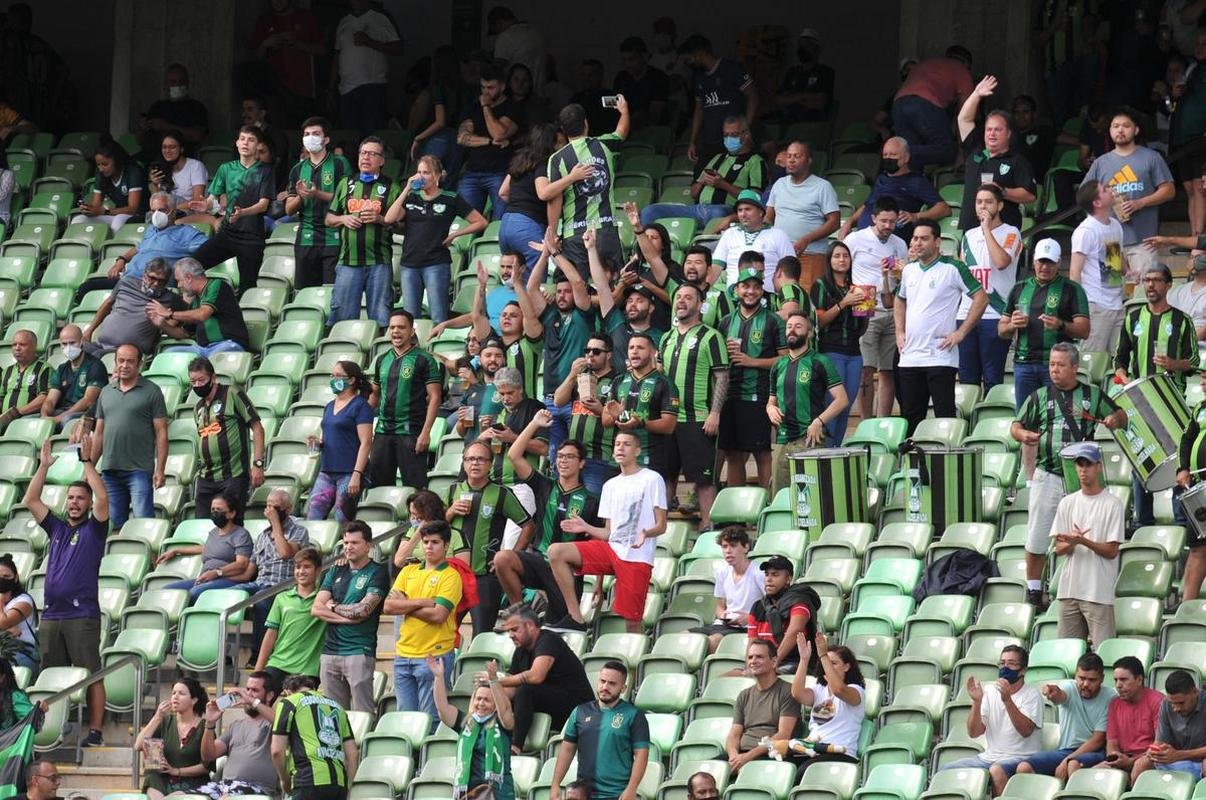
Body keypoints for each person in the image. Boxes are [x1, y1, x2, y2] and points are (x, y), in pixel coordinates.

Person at [1013, 343, 1124, 607]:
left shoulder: (1092, 395)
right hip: (1047, 472)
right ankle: (1033, 589)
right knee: (1038, 533)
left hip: (1080, 477)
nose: (1054, 369)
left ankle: (1083, 589)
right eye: (1051, 364)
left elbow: (1121, 415)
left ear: (1075, 368)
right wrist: (1022, 434)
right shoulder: (1040, 396)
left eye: (1060, 365)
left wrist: (1114, 421)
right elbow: (1016, 425)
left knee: (1084, 533)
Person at [548, 431, 667, 634]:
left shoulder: (652, 479)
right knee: (556, 552)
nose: (620, 448)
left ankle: (635, 661)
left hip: (636, 556)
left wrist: (645, 533)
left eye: (626, 444)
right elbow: (608, 533)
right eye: (617, 444)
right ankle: (575, 618)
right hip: (611, 550)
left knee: (631, 621)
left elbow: (662, 525)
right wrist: (586, 527)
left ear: (637, 450)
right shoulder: (610, 485)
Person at [496, 411, 599, 621]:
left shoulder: (591, 501)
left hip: (567, 573)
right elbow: (514, 455)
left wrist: (598, 583)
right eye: (560, 456)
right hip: (539, 561)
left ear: (581, 463)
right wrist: (534, 423)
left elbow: (598, 544)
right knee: (502, 558)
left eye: (570, 457)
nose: (563, 461)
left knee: (557, 626)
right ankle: (521, 613)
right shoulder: (545, 485)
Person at [1117, 264, 1199, 527]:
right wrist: (1127, 381)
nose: (1149, 285)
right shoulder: (1132, 319)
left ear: (1167, 285)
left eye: (1155, 280)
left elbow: (1195, 360)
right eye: (1146, 280)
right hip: (1141, 403)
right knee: (1142, 460)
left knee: (1179, 459)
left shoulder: (1181, 320)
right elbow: (1118, 362)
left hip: (1172, 401)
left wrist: (1174, 364)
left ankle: (1181, 524)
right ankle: (1143, 525)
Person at [893, 220, 988, 434]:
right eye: (915, 238)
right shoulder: (908, 270)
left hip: (940, 355)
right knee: (910, 419)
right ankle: (914, 466)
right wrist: (899, 331)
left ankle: (945, 465)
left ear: (937, 241)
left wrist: (961, 332)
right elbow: (900, 299)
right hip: (910, 356)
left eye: (924, 238)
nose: (918, 243)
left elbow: (981, 297)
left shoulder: (953, 267)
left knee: (944, 417)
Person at [446, 441, 534, 635]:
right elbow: (436, 528)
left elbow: (528, 525)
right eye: (470, 459)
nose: (475, 463)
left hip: (484, 578)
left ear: (490, 464)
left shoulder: (501, 493)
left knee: (481, 635)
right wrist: (450, 512)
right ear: (463, 463)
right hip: (452, 576)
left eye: (480, 459)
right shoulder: (453, 490)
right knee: (444, 634)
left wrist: (512, 555)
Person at [659, 283, 729, 529]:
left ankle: (708, 527)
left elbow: (722, 376)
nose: (682, 301)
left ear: (700, 305)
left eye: (688, 297)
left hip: (698, 418)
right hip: (667, 420)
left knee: (703, 479)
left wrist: (715, 413)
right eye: (678, 297)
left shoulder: (711, 336)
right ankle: (662, 529)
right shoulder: (666, 337)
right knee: (665, 476)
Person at [517, 243, 596, 460]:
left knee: (578, 454)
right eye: (559, 291)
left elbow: (578, 282)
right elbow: (532, 288)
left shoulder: (584, 315)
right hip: (550, 398)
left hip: (578, 397)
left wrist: (556, 253)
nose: (562, 296)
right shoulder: (550, 315)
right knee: (555, 458)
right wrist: (544, 255)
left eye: (567, 292)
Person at [385, 156, 486, 325]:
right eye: (419, 172)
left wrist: (456, 234)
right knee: (410, 318)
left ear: (437, 176)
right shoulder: (411, 197)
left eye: (426, 172)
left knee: (438, 315)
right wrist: (406, 190)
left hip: (436, 262)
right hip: (409, 263)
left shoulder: (450, 198)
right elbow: (389, 219)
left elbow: (481, 222)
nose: (421, 176)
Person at [1081, 109, 1175, 283]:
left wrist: (1140, 203)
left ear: (1136, 130)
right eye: (1115, 126)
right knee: (1113, 290)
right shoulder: (1100, 163)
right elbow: (1084, 196)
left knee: (1144, 291)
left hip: (1144, 241)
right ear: (1109, 131)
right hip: (1111, 243)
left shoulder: (1151, 157)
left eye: (1126, 126)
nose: (1120, 130)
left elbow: (1169, 190)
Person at [1000, 239, 1091, 415]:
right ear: (1034, 261)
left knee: (1057, 417)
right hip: (1024, 364)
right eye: (1041, 261)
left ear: (1059, 263)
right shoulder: (1019, 288)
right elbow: (1001, 330)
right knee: (1026, 418)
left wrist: (1061, 325)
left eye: (1050, 262)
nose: (1045, 267)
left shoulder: (1072, 289)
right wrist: (1012, 325)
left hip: (1057, 365)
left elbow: (1084, 330)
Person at [940, 645, 1044, 796]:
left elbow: (1026, 730)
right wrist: (977, 702)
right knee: (945, 770)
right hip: (988, 757)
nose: (1005, 667)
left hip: (1022, 756)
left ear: (1023, 670)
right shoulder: (990, 691)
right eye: (1002, 663)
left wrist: (1008, 700)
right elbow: (974, 732)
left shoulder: (1031, 695)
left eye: (1011, 663)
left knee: (997, 769)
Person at [540, 97, 630, 270]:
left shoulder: (557, 159)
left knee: (579, 289)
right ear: (586, 123)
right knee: (612, 286)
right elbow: (622, 131)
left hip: (574, 234)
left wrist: (552, 232)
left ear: (563, 130)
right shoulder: (604, 145)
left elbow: (554, 199)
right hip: (605, 229)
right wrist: (624, 111)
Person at [386, 520, 461, 723]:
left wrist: (406, 606)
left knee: (431, 719)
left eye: (435, 542)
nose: (428, 546)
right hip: (403, 654)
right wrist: (422, 603)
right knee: (406, 721)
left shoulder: (451, 576)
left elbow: (439, 616)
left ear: (446, 545)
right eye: (425, 541)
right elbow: (388, 607)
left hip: (434, 655)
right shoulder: (408, 571)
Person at [1049, 442, 1125, 644]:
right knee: (1066, 652)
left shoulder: (1112, 504)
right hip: (1069, 590)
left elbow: (1111, 551)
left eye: (1088, 465)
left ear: (1098, 466)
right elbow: (1059, 548)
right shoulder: (1067, 503)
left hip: (1098, 591)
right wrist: (1074, 542)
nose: (1083, 470)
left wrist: (1083, 540)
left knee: (1103, 652)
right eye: (1080, 465)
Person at [718, 266, 787, 488]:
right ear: (736, 290)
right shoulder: (726, 322)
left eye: (756, 287)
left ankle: (767, 506)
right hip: (730, 395)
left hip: (758, 395)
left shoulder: (773, 321)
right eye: (745, 286)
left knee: (762, 453)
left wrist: (752, 361)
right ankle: (736, 515)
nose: (751, 291)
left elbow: (786, 359)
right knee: (733, 454)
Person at [310, 522, 389, 713]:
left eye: (354, 542)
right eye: (345, 543)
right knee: (333, 715)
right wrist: (346, 617)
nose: (348, 547)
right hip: (329, 652)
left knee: (363, 713)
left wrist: (335, 607)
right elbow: (316, 608)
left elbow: (362, 611)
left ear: (368, 545)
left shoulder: (378, 571)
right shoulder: (335, 570)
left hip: (359, 650)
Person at [326, 136, 402, 328]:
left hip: (379, 262)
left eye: (372, 154)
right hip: (348, 263)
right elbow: (329, 219)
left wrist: (381, 219)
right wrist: (344, 218)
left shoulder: (392, 187)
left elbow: (402, 224)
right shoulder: (345, 183)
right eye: (363, 153)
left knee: (382, 319)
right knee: (342, 320)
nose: (366, 157)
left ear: (382, 161)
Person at [496, 604, 594, 752]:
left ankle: (515, 748)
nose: (510, 635)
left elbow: (536, 676)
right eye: (509, 631)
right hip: (552, 703)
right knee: (494, 694)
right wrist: (493, 689)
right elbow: (510, 688)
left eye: (514, 629)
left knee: (526, 689)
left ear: (530, 626)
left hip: (578, 708)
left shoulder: (548, 640)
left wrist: (498, 681)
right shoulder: (520, 650)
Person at [90, 343, 168, 530]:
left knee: (143, 524)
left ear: (139, 364)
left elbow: (162, 432)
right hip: (110, 470)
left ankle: (149, 559)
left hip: (139, 470)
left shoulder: (152, 391)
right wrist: (90, 467)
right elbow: (99, 432)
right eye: (121, 361)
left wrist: (160, 469)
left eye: (130, 361)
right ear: (115, 362)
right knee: (114, 526)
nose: (124, 365)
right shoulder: (106, 392)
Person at [846, 197, 909, 423]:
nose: (888, 226)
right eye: (883, 221)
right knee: (866, 368)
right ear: (873, 218)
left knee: (888, 370)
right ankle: (865, 421)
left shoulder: (900, 244)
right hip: (865, 308)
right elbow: (841, 266)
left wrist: (898, 272)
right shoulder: (856, 239)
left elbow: (905, 278)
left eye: (892, 222)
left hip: (893, 308)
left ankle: (882, 422)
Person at [78, 191, 207, 300]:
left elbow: (211, 248)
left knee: (89, 289)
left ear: (173, 212)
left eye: (161, 210)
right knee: (85, 287)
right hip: (128, 280)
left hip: (152, 284)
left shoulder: (186, 233)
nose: (156, 214)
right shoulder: (151, 230)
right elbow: (139, 248)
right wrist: (121, 260)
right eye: (153, 211)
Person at [190, 126, 275, 293]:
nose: (245, 143)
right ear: (237, 143)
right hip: (228, 233)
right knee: (192, 265)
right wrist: (205, 205)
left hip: (252, 237)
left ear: (258, 145)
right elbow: (212, 198)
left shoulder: (265, 170)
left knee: (247, 288)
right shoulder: (225, 168)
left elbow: (263, 205)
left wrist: (243, 212)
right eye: (242, 139)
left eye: (251, 140)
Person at [549, 661, 650, 800]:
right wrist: (555, 784)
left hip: (616, 794)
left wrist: (631, 788)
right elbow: (567, 750)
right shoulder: (580, 711)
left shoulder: (634, 715)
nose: (605, 687)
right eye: (602, 681)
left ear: (623, 688)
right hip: (584, 794)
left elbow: (642, 755)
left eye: (612, 683)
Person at [641, 115, 765, 227]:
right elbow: (694, 193)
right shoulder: (718, 158)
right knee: (650, 211)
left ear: (746, 135)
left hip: (724, 209)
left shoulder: (755, 161)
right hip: (696, 209)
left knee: (717, 212)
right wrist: (702, 181)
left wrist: (723, 185)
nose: (728, 139)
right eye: (726, 135)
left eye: (733, 135)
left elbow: (756, 198)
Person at [956, 183, 1023, 391]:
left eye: (988, 202)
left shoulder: (1012, 233)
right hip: (966, 314)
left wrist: (986, 229)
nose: (982, 206)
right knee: (967, 378)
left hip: (996, 314)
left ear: (1000, 205)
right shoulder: (968, 236)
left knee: (993, 378)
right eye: (978, 202)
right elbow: (962, 274)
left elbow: (1002, 262)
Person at [367, 310, 442, 490]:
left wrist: (426, 432)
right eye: (392, 327)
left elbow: (435, 397)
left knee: (414, 488)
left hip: (411, 432)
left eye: (401, 327)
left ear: (412, 331)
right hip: (383, 432)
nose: (395, 331)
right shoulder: (381, 359)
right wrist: (364, 424)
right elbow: (374, 393)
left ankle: (414, 519)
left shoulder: (425, 359)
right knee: (379, 487)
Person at [954, 76, 1037, 232]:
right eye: (988, 129)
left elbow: (1030, 195)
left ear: (1009, 134)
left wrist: (1002, 191)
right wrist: (976, 94)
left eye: (998, 130)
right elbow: (963, 119)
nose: (992, 134)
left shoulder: (1017, 160)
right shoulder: (974, 151)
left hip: (1002, 230)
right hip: (971, 229)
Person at [429, 653, 516, 799]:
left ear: (496, 705)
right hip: (470, 792)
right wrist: (438, 677)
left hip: (498, 793)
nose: (481, 703)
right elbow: (442, 708)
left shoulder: (503, 723)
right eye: (478, 698)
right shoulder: (466, 722)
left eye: (487, 700)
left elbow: (505, 709)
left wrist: (494, 680)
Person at [188, 356, 265, 519]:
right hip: (206, 477)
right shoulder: (198, 407)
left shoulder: (232, 393)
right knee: (201, 526)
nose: (197, 386)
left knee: (230, 525)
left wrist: (257, 464)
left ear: (213, 378)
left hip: (233, 475)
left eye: (201, 380)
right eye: (193, 382)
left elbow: (257, 427)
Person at [235, 490, 310, 653]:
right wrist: (218, 574)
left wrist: (276, 523)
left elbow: (285, 553)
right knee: (223, 595)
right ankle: (222, 653)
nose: (270, 511)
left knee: (261, 603)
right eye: (268, 506)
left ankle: (257, 654)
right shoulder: (262, 535)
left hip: (281, 585)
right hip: (258, 584)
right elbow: (249, 572)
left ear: (288, 509)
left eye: (275, 507)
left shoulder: (299, 531)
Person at [1016, 653, 1113, 779]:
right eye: (1081, 678)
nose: (1085, 684)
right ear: (1075, 676)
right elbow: (1060, 696)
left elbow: (1097, 740)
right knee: (1023, 768)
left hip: (1095, 752)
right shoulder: (1069, 687)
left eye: (1092, 680)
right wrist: (1053, 693)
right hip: (1065, 750)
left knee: (1072, 765)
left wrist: (1067, 760)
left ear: (1102, 678)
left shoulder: (1110, 697)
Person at [839, 137, 950, 244]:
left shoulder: (917, 181)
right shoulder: (881, 178)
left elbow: (943, 209)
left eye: (893, 155)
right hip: (863, 237)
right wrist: (849, 222)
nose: (888, 158)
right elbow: (867, 205)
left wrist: (915, 216)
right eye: (885, 155)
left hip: (890, 241)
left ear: (906, 158)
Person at [284, 117, 352, 289]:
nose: (310, 138)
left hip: (334, 237)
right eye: (306, 134)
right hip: (306, 238)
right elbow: (288, 210)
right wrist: (301, 196)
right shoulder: (297, 169)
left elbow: (347, 201)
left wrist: (317, 193)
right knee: (304, 293)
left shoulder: (340, 163)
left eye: (316, 133)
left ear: (326, 139)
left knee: (331, 293)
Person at [811, 242, 868, 444]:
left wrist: (866, 310)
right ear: (829, 260)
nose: (842, 260)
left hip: (854, 352)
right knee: (832, 405)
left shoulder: (856, 287)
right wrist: (844, 303)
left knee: (845, 406)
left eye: (845, 256)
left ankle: (836, 451)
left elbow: (861, 329)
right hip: (830, 351)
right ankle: (825, 451)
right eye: (837, 256)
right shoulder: (821, 285)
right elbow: (819, 321)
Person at [271, 673, 358, 800]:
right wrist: (349, 787)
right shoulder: (338, 707)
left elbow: (277, 751)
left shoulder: (289, 702)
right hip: (338, 785)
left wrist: (285, 780)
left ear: (287, 691)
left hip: (306, 781)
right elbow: (353, 754)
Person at [604, 333, 680, 479]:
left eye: (640, 347)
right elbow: (605, 421)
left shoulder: (665, 383)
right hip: (619, 462)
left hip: (651, 460)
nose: (634, 351)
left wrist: (641, 423)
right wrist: (614, 416)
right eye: (631, 347)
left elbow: (669, 425)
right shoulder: (618, 381)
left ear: (653, 352)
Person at [307, 361, 373, 524]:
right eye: (332, 375)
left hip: (349, 472)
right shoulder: (329, 406)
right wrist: (317, 442)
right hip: (327, 469)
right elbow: (329, 436)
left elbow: (366, 442)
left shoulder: (361, 406)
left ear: (351, 380)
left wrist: (357, 474)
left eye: (338, 376)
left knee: (342, 518)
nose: (333, 379)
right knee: (313, 513)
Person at [197, 672, 281, 798]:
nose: (248, 694)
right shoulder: (235, 726)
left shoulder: (273, 723)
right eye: (247, 689)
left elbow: (281, 723)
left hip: (256, 789)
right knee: (179, 796)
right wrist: (210, 723)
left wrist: (251, 701)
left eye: (255, 690)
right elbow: (208, 755)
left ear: (269, 696)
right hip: (224, 787)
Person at [555, 334, 620, 495]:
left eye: (596, 351)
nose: (590, 354)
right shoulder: (580, 377)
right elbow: (558, 401)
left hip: (599, 457)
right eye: (587, 350)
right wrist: (571, 375)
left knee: (593, 506)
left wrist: (600, 409)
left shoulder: (618, 380)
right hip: (573, 456)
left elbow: (618, 416)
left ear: (609, 355)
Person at [789, 633, 866, 771]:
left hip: (841, 753)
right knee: (784, 763)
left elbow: (838, 690)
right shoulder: (819, 689)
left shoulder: (856, 690)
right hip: (812, 749)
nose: (827, 667)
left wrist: (824, 656)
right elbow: (797, 694)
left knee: (805, 770)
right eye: (826, 663)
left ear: (847, 667)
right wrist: (804, 659)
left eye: (834, 663)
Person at [160, 492, 255, 603]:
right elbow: (207, 549)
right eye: (213, 509)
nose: (215, 513)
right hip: (207, 578)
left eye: (219, 510)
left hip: (228, 579)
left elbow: (241, 564)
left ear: (232, 513)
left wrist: (217, 572)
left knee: (193, 594)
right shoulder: (214, 532)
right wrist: (176, 550)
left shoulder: (241, 534)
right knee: (168, 590)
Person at [766, 142, 840, 282]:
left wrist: (807, 239)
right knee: (783, 299)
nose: (791, 160)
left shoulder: (822, 187)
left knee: (808, 301)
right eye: (789, 156)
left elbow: (834, 222)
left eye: (797, 156)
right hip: (781, 256)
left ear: (809, 160)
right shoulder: (779, 184)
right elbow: (768, 218)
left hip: (811, 254)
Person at [891, 46, 974, 171]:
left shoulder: (926, 64)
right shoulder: (962, 71)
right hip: (924, 103)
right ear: (967, 63)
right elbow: (965, 117)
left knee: (911, 163)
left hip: (898, 104)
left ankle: (897, 155)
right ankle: (899, 152)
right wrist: (962, 151)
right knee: (948, 149)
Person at [1070, 179, 1129, 353]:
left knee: (1118, 359)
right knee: (1093, 360)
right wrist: (1079, 309)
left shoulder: (1116, 225)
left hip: (1117, 303)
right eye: (1104, 190)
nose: (1111, 191)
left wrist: (1131, 272)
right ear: (1097, 202)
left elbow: (1116, 264)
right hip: (1095, 305)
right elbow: (1075, 272)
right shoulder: (1086, 231)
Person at [149, 258, 251, 357]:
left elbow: (203, 314)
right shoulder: (195, 302)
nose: (179, 286)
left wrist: (170, 314)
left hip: (228, 344)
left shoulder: (216, 285)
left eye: (179, 281)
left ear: (188, 278)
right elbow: (184, 333)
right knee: (168, 354)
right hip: (202, 349)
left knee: (209, 362)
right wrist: (162, 324)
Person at [457, 64, 520, 220]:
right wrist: (489, 142)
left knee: (500, 221)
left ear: (503, 86)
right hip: (472, 172)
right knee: (465, 220)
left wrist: (486, 107)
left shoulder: (513, 107)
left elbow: (498, 133)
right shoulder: (473, 107)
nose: (485, 92)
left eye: (490, 87)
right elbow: (462, 138)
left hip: (499, 172)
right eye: (483, 87)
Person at [255, 547, 326, 687]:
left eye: (307, 567)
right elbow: (270, 635)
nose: (301, 571)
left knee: (300, 707)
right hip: (278, 662)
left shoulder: (323, 599)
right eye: (298, 567)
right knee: (256, 701)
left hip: (307, 669)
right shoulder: (281, 598)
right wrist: (258, 670)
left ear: (318, 570)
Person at [83, 259, 182, 358]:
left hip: (129, 353)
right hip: (100, 344)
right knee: (78, 349)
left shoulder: (171, 298)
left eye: (161, 281)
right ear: (144, 275)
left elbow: (181, 328)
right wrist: (90, 330)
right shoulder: (126, 283)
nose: (156, 284)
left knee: (94, 359)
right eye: (153, 278)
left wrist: (163, 323)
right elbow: (108, 303)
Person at [727, 638, 800, 773]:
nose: (753, 661)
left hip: (768, 755)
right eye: (750, 657)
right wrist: (733, 757)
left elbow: (783, 734)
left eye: (759, 657)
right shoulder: (744, 695)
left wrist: (747, 757)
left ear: (773, 662)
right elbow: (734, 735)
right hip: (741, 755)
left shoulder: (788, 691)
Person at [680, 35, 757, 162]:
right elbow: (698, 110)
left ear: (699, 53)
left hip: (734, 139)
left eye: (689, 59)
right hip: (709, 142)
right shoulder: (698, 77)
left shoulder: (732, 69)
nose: (688, 63)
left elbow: (753, 97)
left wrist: (746, 130)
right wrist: (692, 141)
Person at [689, 527, 764, 652]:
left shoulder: (758, 573)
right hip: (724, 624)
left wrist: (749, 617)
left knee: (713, 640)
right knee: (686, 634)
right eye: (724, 546)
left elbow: (771, 606)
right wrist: (723, 615)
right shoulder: (722, 571)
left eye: (733, 546)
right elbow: (719, 606)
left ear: (746, 547)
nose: (728, 551)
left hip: (749, 626)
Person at [332, 0, 400, 134]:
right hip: (346, 89)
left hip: (372, 86)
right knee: (349, 135)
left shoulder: (380, 18)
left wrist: (369, 42)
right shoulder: (344, 21)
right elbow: (337, 56)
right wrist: (330, 88)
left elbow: (398, 48)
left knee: (370, 135)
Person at [1091, 657, 1164, 780]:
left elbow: (1159, 744)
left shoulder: (1158, 702)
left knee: (1140, 765)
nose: (1118, 685)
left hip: (1150, 759)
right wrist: (1114, 757)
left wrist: (1131, 761)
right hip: (1123, 758)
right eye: (1116, 680)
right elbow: (1112, 742)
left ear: (1139, 679)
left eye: (1123, 680)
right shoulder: (1114, 704)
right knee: (1093, 774)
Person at [136, 680, 209, 799]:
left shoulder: (205, 727)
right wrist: (157, 717)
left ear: (194, 700)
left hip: (193, 782)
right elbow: (138, 745)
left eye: (181, 693)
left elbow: (206, 767)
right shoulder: (165, 721)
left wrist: (176, 771)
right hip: (163, 781)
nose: (175, 696)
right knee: (152, 774)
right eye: (173, 693)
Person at [500, 124, 556, 277]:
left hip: (506, 224)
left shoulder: (520, 161)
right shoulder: (543, 163)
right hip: (527, 226)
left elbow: (503, 192)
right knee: (533, 282)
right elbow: (543, 193)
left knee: (511, 281)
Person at [710, 190, 794, 291]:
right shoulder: (729, 234)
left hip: (768, 300)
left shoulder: (778, 234)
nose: (743, 214)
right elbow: (715, 268)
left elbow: (790, 272)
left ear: (760, 212)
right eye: (740, 210)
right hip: (733, 300)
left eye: (748, 209)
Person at [746, 556, 815, 674]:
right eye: (767, 574)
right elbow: (752, 643)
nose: (769, 579)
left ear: (788, 579)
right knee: (725, 678)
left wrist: (774, 662)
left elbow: (794, 631)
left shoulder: (799, 602)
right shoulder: (758, 606)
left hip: (794, 663)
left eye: (775, 575)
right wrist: (749, 667)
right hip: (764, 663)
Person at [1136, 670, 1206, 778]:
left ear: (1194, 692)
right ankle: (1136, 794)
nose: (1176, 708)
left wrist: (1179, 755)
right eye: (1172, 703)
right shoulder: (1165, 704)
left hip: (1200, 761)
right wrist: (1154, 751)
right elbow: (1159, 742)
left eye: (1181, 703)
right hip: (1176, 759)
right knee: (1141, 763)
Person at [71, 138, 146, 232]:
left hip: (139, 216)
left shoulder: (133, 172)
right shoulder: (101, 174)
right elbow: (96, 205)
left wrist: (105, 211)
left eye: (105, 164)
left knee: (118, 220)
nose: (101, 169)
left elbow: (133, 209)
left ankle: (114, 246)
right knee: (78, 220)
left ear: (117, 160)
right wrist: (89, 210)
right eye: (98, 165)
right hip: (116, 215)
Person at [1177, 368, 1206, 600]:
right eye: (1202, 377)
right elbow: (1185, 440)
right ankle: (1187, 607)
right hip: (1199, 488)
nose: (1202, 382)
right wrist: (1182, 468)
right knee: (1197, 548)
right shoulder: (1199, 408)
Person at [142, 64, 209, 148]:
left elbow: (197, 136)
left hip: (178, 155)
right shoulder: (157, 106)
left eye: (181, 81)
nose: (177, 85)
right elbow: (140, 140)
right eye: (173, 82)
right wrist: (143, 129)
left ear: (187, 83)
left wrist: (165, 126)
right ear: (166, 85)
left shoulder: (196, 107)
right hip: (149, 154)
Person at [0, 329, 49, 433]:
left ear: (34, 347)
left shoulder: (44, 368)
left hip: (29, 419)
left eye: (22, 344)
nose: (17, 348)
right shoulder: (7, 371)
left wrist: (17, 412)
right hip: (4, 420)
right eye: (14, 345)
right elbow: (1, 398)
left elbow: (44, 397)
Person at [614, 37, 669, 128]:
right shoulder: (621, 78)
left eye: (631, 59)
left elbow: (655, 115)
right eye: (624, 60)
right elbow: (614, 106)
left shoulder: (658, 78)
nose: (627, 64)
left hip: (652, 132)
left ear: (644, 57)